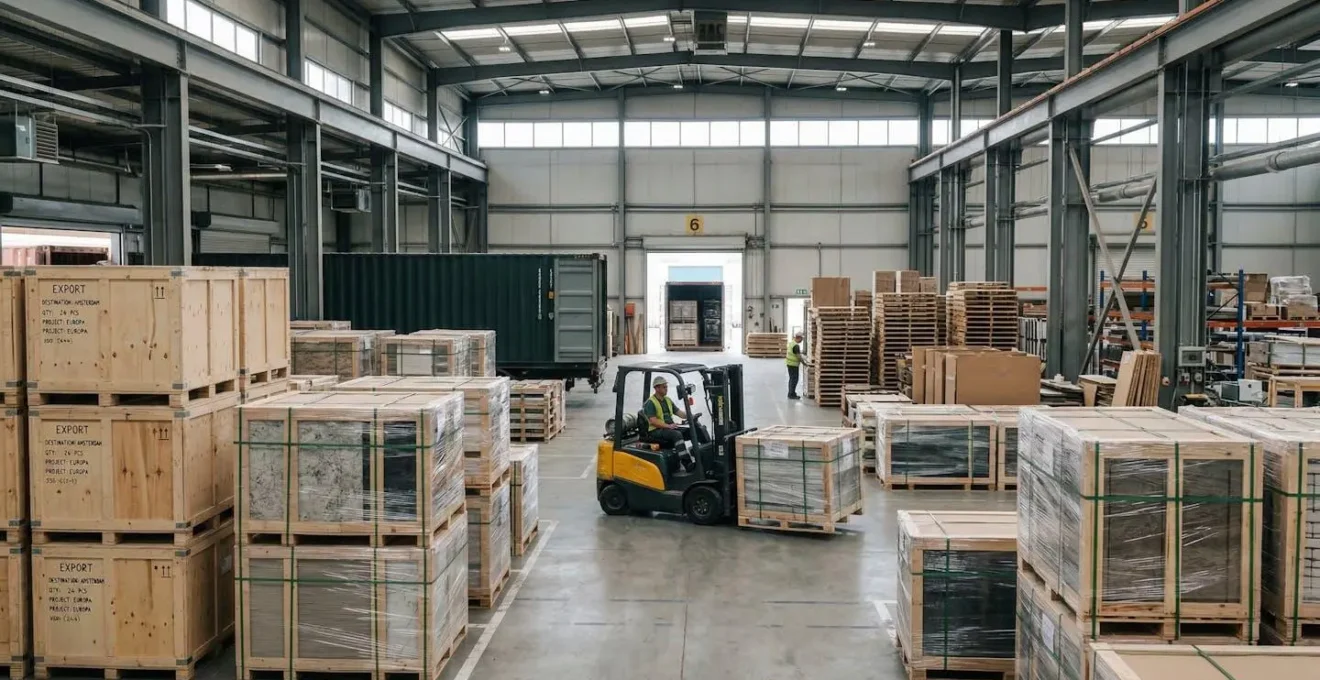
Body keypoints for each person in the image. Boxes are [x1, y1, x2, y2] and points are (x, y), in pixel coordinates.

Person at [643, 375, 686, 449]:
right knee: (676, 434)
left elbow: (678, 412)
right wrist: (669, 426)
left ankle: (700, 454)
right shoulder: (650, 403)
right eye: (664, 387)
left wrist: (690, 416)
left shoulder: (667, 400)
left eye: (666, 387)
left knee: (693, 429)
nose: (666, 389)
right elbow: (653, 421)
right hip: (656, 430)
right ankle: (685, 459)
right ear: (657, 388)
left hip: (668, 428)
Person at [786, 332, 806, 400]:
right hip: (793, 365)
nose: (802, 340)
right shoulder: (796, 346)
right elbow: (798, 356)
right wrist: (804, 363)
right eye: (801, 339)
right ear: (798, 337)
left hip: (789, 364)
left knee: (791, 379)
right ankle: (792, 394)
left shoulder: (792, 343)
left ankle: (791, 393)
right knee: (794, 379)